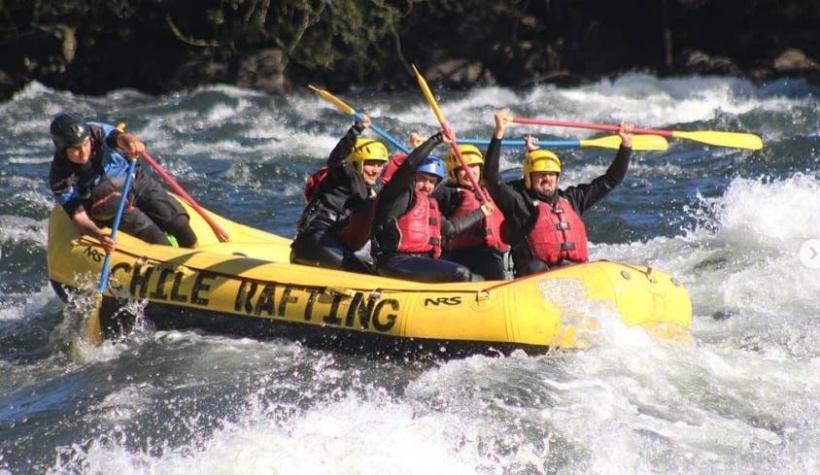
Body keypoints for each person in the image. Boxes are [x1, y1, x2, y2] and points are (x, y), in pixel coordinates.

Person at [484, 110, 633, 277]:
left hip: (573, 275)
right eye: (541, 175)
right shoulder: (519, 204)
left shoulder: (572, 199)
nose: (547, 178)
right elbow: (491, 178)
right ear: (528, 179)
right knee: (535, 268)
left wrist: (625, 146)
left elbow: (610, 180)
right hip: (534, 280)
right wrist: (499, 133)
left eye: (551, 174)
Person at [48, 112, 197, 253]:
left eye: (85, 144)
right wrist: (98, 236)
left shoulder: (96, 132)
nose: (83, 152)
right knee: (158, 239)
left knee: (180, 224)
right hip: (106, 202)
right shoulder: (59, 176)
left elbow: (120, 138)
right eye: (75, 149)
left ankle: (197, 258)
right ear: (62, 149)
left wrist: (132, 142)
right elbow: (78, 216)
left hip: (134, 179)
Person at [371, 132, 490, 283]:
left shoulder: (429, 205)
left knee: (479, 280)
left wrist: (482, 212)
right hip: (395, 261)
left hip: (421, 262)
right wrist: (436, 139)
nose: (426, 186)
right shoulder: (399, 194)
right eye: (421, 179)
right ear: (413, 178)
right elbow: (409, 165)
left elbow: (451, 228)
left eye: (432, 181)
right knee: (461, 273)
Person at [291, 115, 387, 273]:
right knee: (364, 273)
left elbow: (400, 178)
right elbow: (336, 159)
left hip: (332, 243)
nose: (375, 170)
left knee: (372, 270)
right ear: (357, 163)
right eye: (370, 164)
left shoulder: (369, 190)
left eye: (379, 165)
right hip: (314, 240)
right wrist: (356, 130)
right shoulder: (344, 176)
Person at [433, 144, 510, 280]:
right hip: (456, 254)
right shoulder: (447, 193)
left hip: (488, 254)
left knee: (492, 265)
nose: (470, 172)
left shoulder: (492, 191)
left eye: (474, 166)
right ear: (453, 172)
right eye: (463, 168)